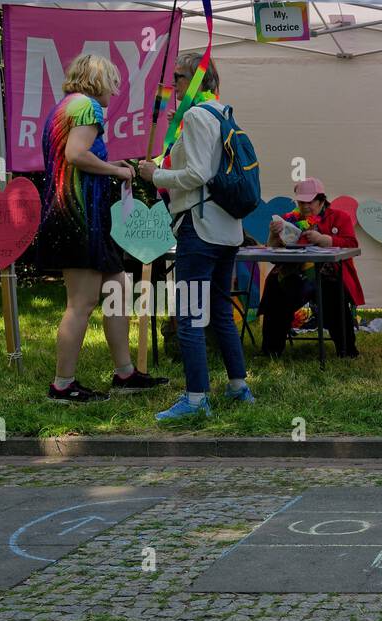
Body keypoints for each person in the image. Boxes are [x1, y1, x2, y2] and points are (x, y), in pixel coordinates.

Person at [36, 54, 166, 403]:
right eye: (113, 82)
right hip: (80, 217)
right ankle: (62, 385)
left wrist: (109, 164)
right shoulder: (88, 107)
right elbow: (77, 154)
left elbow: (73, 157)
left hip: (85, 217)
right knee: (82, 302)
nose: (116, 89)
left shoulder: (64, 108)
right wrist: (117, 171)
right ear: (99, 81)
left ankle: (125, 373)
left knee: (117, 291)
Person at [137, 53, 251, 420]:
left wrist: (155, 175)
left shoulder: (196, 116)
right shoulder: (220, 113)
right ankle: (237, 387)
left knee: (188, 316)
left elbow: (197, 173)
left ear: (199, 80)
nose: (174, 86)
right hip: (227, 230)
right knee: (219, 311)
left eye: (180, 78)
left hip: (198, 228)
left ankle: (196, 399)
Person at [258, 176, 363, 357]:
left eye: (310, 202)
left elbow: (352, 244)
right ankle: (271, 350)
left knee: (332, 293)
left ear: (322, 200)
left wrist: (326, 240)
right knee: (275, 287)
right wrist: (273, 235)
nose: (305, 206)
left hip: (328, 275)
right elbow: (274, 253)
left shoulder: (339, 217)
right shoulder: (288, 220)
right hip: (294, 274)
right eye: (301, 202)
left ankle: (347, 350)